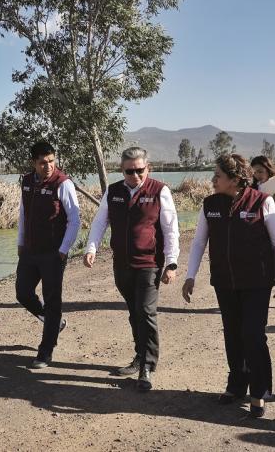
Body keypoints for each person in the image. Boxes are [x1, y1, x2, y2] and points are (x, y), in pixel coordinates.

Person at [181, 153, 275, 418]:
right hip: (224, 282)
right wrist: (190, 275)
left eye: (217, 175)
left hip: (257, 282)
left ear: (235, 179)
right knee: (232, 334)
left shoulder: (262, 202)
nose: (213, 180)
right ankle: (237, 385)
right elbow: (198, 243)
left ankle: (260, 391)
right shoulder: (210, 205)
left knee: (253, 335)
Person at [83, 147, 180, 391]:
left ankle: (147, 366)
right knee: (134, 311)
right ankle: (139, 356)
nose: (135, 175)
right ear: (122, 170)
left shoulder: (159, 191)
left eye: (140, 170)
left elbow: (170, 229)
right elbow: (100, 222)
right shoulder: (113, 192)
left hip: (149, 263)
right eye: (130, 171)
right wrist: (91, 248)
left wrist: (171, 262)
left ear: (148, 168)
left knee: (146, 312)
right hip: (122, 264)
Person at [15, 141, 81, 369]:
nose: (48, 166)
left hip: (53, 253)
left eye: (52, 161)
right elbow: (24, 213)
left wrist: (63, 251)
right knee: (22, 293)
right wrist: (20, 241)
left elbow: (75, 220)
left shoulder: (63, 184)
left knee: (53, 301)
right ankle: (54, 323)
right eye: (43, 162)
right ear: (33, 162)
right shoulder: (26, 182)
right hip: (30, 251)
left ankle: (46, 351)